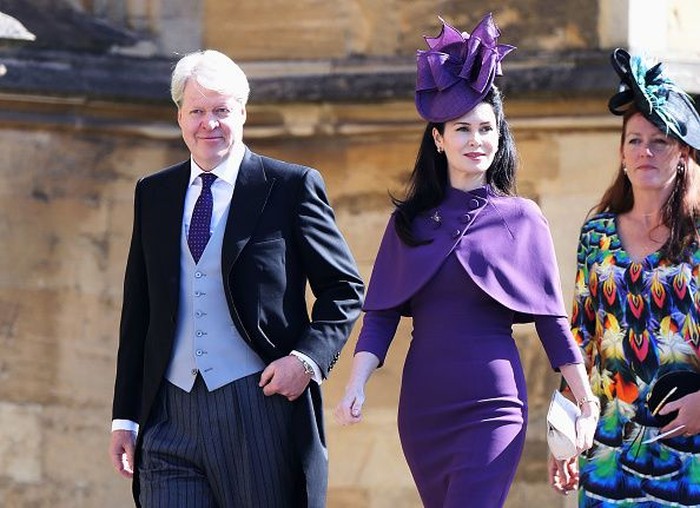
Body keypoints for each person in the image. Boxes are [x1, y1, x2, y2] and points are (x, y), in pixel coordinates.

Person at [334, 14, 598, 508]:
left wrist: (585, 399)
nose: (476, 140)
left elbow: (551, 321)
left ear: (500, 135)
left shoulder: (524, 218)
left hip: (494, 406)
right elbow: (381, 314)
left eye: (486, 128)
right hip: (424, 407)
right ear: (438, 139)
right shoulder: (409, 223)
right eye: (462, 129)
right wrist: (357, 382)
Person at [108, 49, 364, 507]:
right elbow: (139, 311)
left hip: (258, 407)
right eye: (198, 111)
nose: (210, 124)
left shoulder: (289, 186)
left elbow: (343, 288)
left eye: (222, 110)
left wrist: (305, 361)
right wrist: (125, 418)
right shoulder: (154, 193)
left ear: (243, 113)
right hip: (169, 415)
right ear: (180, 116)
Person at [548, 47, 700, 506]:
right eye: (634, 141)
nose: (645, 151)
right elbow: (580, 338)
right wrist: (564, 426)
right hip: (608, 442)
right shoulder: (597, 233)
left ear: (683, 154)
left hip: (690, 443)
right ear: (621, 153)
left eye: (660, 141)